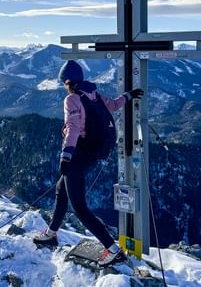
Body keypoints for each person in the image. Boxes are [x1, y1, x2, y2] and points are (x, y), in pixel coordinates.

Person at [33, 60, 143, 266]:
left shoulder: (72, 100)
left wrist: (65, 157)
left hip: (78, 156)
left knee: (80, 208)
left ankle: (113, 249)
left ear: (67, 82)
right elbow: (114, 105)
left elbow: (73, 128)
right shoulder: (94, 95)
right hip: (94, 154)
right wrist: (129, 95)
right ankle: (51, 233)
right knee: (61, 191)